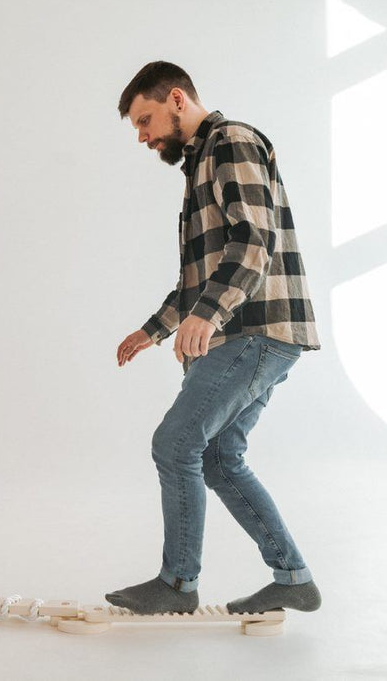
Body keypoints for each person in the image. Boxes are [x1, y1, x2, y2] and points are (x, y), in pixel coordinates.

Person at [105, 62, 323, 616]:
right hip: (252, 329)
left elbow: (255, 239)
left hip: (254, 328)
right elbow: (200, 275)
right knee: (220, 456)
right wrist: (154, 330)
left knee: (176, 444)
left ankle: (178, 585)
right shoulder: (201, 162)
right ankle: (292, 577)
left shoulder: (232, 142)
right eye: (136, 127)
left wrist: (208, 315)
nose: (143, 136)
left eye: (146, 119)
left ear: (177, 99)